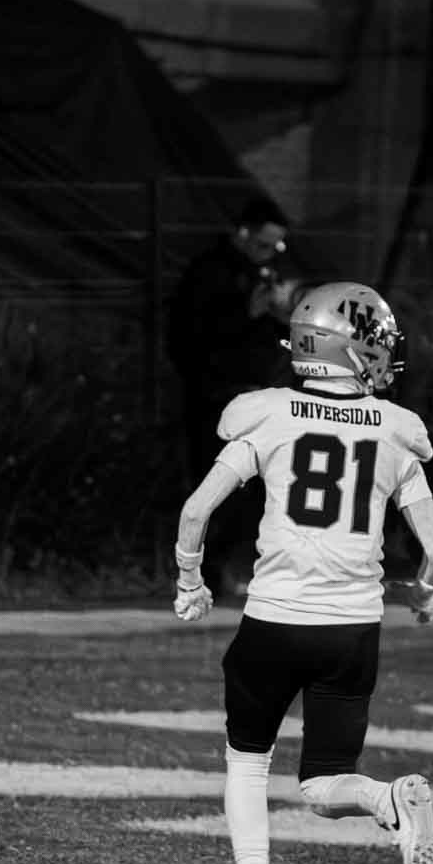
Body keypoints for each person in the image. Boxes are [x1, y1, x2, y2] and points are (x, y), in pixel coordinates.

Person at [172, 281, 433, 864]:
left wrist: (190, 580)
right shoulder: (395, 429)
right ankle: (385, 799)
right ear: (350, 347)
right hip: (353, 631)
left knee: (247, 764)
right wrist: (424, 595)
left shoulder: (268, 413)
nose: (386, 354)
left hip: (274, 623)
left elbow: (196, 510)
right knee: (324, 784)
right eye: (378, 342)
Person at [166, 196, 295, 599]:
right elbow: (191, 336)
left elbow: (269, 335)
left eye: (276, 246)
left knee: (259, 491)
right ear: (242, 234)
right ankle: (201, 573)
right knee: (217, 489)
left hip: (257, 395)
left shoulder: (262, 273)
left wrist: (281, 317)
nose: (269, 253)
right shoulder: (210, 273)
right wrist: (246, 314)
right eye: (263, 244)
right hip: (217, 398)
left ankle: (230, 569)